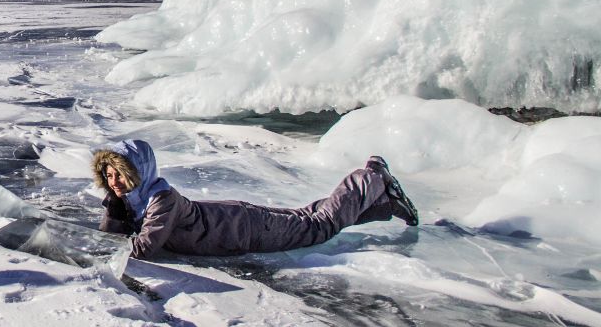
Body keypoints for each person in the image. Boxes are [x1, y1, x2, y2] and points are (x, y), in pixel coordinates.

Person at [92, 139, 418, 259]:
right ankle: (384, 203)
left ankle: (372, 176)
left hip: (246, 229)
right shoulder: (133, 199)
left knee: (319, 226)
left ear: (142, 170)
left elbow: (143, 249)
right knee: (307, 216)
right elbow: (111, 237)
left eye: (122, 173)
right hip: (232, 220)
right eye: (109, 175)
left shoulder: (161, 199)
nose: (115, 182)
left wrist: (103, 247)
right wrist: (114, 208)